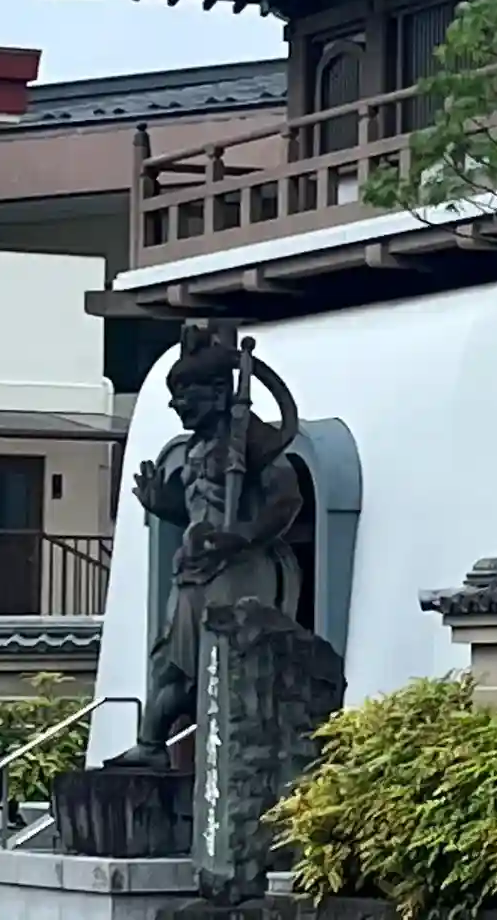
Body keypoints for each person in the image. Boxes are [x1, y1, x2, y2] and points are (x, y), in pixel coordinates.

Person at [105, 323, 303, 769]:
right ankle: (151, 744)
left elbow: (286, 500)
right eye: (174, 396)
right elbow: (200, 510)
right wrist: (165, 506)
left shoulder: (248, 437)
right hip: (194, 569)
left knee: (230, 659)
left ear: (218, 392)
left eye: (185, 394)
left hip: (239, 568)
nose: (176, 405)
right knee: (170, 663)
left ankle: (241, 759)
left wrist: (242, 535)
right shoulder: (195, 447)